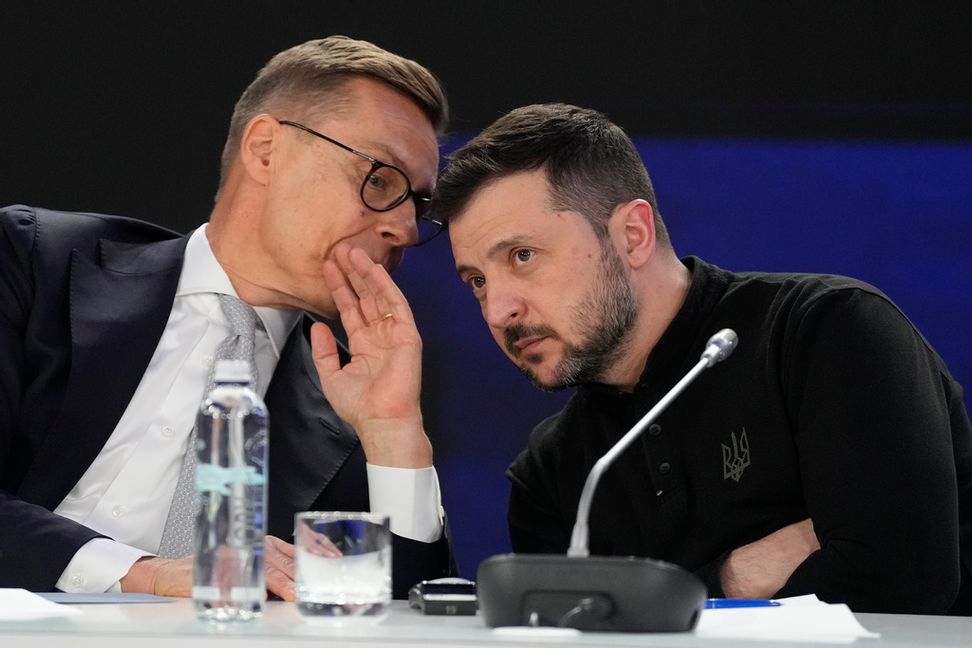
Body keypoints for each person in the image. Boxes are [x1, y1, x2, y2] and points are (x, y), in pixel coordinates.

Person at [433, 103, 972, 614]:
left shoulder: (825, 330)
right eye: (477, 281)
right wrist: (734, 577)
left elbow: (900, 583)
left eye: (522, 256)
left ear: (633, 235)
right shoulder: (553, 469)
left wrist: (656, 603)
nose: (498, 309)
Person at [0, 35, 454, 600]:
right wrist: (142, 573)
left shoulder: (354, 406)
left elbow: (408, 617)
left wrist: (394, 436)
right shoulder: (33, 260)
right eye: (380, 179)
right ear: (266, 149)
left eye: (420, 204)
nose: (405, 229)